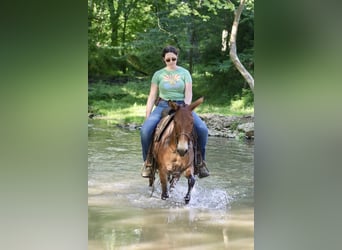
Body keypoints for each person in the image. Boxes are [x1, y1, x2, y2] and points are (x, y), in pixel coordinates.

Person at [140, 45, 209, 178]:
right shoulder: (158, 74)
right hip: (163, 106)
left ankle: (200, 162)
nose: (171, 62)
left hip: (182, 106)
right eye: (168, 60)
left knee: (202, 129)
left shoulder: (185, 73)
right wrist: (147, 115)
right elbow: (152, 95)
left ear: (177, 58)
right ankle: (148, 163)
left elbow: (188, 92)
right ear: (163, 60)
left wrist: (186, 108)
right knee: (145, 131)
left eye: (174, 59)